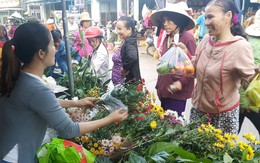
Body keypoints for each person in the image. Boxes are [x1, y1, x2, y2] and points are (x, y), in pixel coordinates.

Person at [0, 22, 128, 162]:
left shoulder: (20, 77)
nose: (55, 49)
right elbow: (69, 130)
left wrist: (77, 103)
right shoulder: (36, 88)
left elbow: (41, 102)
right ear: (41, 53)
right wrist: (110, 118)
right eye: (52, 45)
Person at [178, 0, 256, 134]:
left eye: (210, 17)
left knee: (217, 153)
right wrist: (186, 57)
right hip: (198, 111)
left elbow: (249, 83)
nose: (206, 22)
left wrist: (256, 76)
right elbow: (196, 72)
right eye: (206, 17)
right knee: (194, 153)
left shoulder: (240, 47)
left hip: (222, 116)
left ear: (228, 16)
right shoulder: (204, 41)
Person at [150, 6, 196, 116]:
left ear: (178, 21)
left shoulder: (187, 38)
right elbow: (165, 64)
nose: (165, 24)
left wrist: (181, 82)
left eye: (169, 20)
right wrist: (158, 85)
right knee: (165, 123)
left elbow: (193, 65)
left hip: (177, 92)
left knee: (175, 124)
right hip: (164, 89)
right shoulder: (166, 38)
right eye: (164, 21)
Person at [239, 9, 260, 134]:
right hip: (252, 92)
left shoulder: (244, 39)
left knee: (230, 134)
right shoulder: (245, 40)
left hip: (243, 91)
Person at [116, 16, 142, 83]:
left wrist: (125, 69)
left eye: (120, 29)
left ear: (129, 29)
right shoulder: (130, 40)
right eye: (117, 29)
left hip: (132, 80)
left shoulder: (129, 42)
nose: (118, 31)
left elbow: (132, 57)